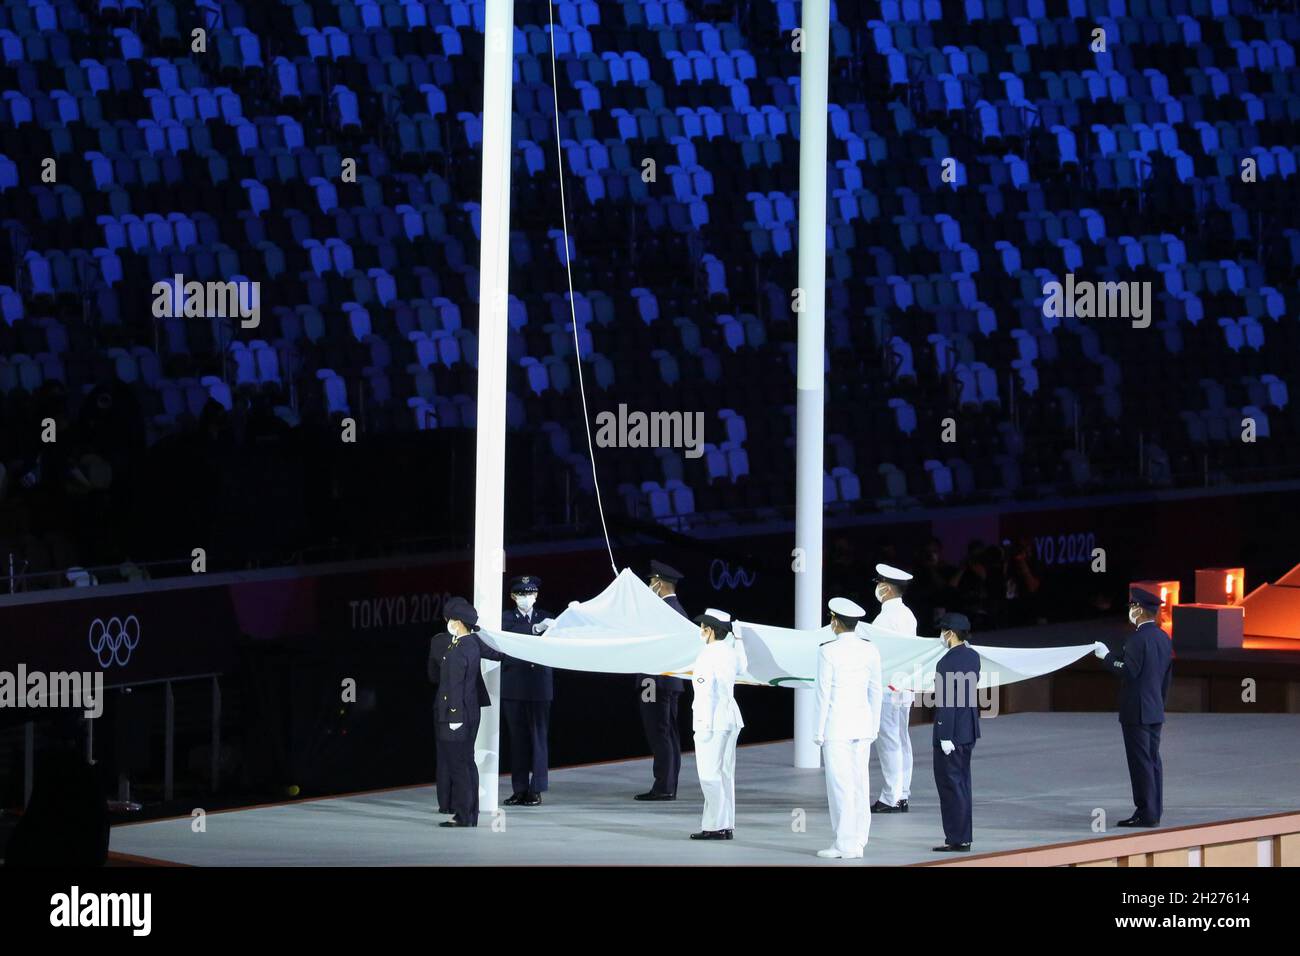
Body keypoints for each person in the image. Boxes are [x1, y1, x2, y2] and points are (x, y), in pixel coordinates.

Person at [1092, 587, 1173, 827]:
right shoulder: (1163, 638)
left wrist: (1106, 657)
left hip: (1136, 711)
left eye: (1132, 607)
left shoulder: (1138, 639)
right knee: (1152, 761)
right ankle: (1154, 810)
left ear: (1138, 610)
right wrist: (1159, 703)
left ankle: (1145, 813)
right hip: (1154, 709)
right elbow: (1166, 677)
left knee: (1140, 764)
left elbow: (1128, 670)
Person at [813, 597, 883, 859]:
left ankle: (844, 843)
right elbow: (876, 690)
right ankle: (859, 841)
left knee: (840, 785)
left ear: (834, 622)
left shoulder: (827, 650)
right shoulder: (870, 649)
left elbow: (823, 694)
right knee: (859, 784)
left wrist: (818, 731)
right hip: (863, 725)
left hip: (836, 727)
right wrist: (874, 725)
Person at [428, 597, 501, 828]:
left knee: (459, 766)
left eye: (450, 619)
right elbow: (499, 654)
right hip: (470, 713)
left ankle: (462, 815)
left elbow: (454, 685)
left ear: (457, 622)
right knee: (467, 763)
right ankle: (470, 814)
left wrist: (454, 716)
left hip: (456, 716)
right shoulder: (471, 643)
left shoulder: (459, 649)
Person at [634, 560, 689, 801]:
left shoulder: (666, 611)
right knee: (668, 733)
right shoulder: (677, 609)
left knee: (660, 733)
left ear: (658, 583)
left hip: (656, 682)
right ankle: (668, 785)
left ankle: (663, 787)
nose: (648, 586)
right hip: (667, 681)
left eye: (650, 582)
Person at [689, 608, 746, 840]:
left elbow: (704, 693)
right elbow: (743, 667)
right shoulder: (731, 651)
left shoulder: (708, 654)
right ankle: (725, 825)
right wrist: (740, 638)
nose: (701, 630)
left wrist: (702, 725)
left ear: (711, 630)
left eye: (704, 626)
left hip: (712, 721)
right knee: (724, 774)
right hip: (730, 718)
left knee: (709, 775)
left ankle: (717, 827)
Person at [499, 574, 554, 807]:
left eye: (530, 593)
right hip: (514, 687)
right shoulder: (505, 619)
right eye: (522, 593)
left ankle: (536, 789)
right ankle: (519, 789)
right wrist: (535, 629)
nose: (526, 597)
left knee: (538, 739)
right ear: (513, 596)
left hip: (539, 687)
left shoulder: (547, 617)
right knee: (517, 740)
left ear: (537, 595)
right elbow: (512, 636)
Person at [870, 563, 919, 814]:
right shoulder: (908, 614)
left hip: (888, 687)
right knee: (901, 739)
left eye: (879, 583)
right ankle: (902, 793)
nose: (877, 588)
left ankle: (891, 795)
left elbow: (877, 655)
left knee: (889, 740)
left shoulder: (884, 618)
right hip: (905, 686)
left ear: (887, 588)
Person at [932, 612, 981, 852]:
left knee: (950, 786)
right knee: (962, 784)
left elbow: (947, 701)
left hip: (951, 732)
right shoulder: (973, 656)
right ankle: (963, 835)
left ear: (950, 633)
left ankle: (957, 838)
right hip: (968, 729)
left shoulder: (946, 662)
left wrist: (943, 735)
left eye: (943, 631)